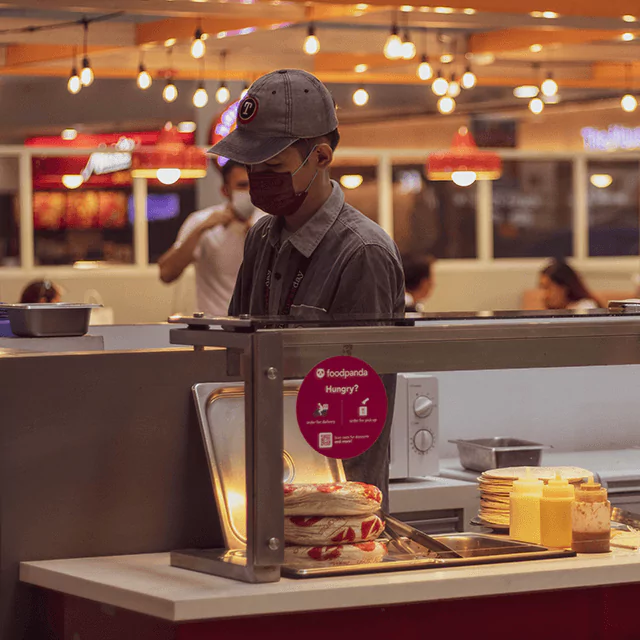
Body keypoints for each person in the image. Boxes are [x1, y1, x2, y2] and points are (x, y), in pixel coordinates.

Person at [209, 69, 404, 503]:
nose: (258, 178)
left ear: (320, 157)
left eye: (273, 166)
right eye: (250, 166)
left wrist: (337, 510)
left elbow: (357, 411)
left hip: (338, 504)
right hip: (257, 481)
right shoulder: (261, 238)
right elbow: (236, 358)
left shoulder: (362, 253)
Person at [158, 161, 263, 317]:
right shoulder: (201, 221)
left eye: (253, 185)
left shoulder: (269, 222)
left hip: (256, 326)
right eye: (242, 185)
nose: (249, 192)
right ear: (225, 190)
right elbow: (166, 273)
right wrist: (201, 229)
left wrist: (256, 235)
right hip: (214, 328)